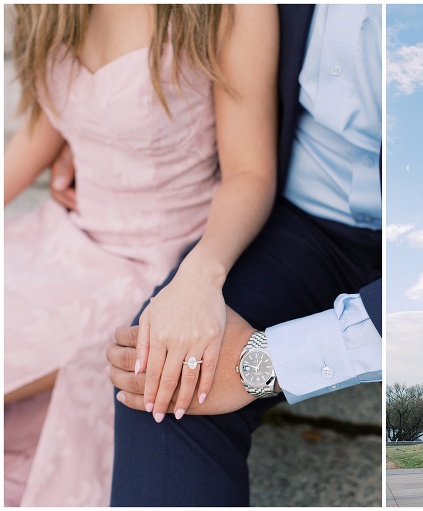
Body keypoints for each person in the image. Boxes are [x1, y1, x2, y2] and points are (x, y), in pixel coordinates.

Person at [97, 4, 382, 506]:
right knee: (164, 381)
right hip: (301, 221)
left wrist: (265, 360)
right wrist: (199, 276)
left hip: (422, 240)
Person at [4, 5, 280, 505]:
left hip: (156, 261)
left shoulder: (233, 10)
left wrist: (201, 277)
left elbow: (249, 173)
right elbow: (41, 126)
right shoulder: (45, 9)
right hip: (62, 237)